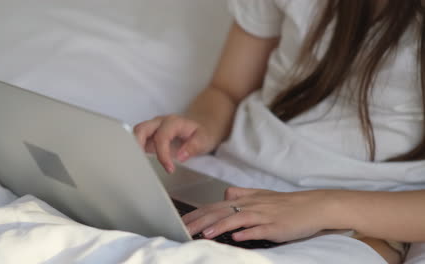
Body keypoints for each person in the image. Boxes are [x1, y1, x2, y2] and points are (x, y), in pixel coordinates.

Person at [133, 1, 425, 263]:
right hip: (225, 181)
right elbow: (226, 89)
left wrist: (322, 207)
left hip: (360, 221)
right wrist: (203, 125)